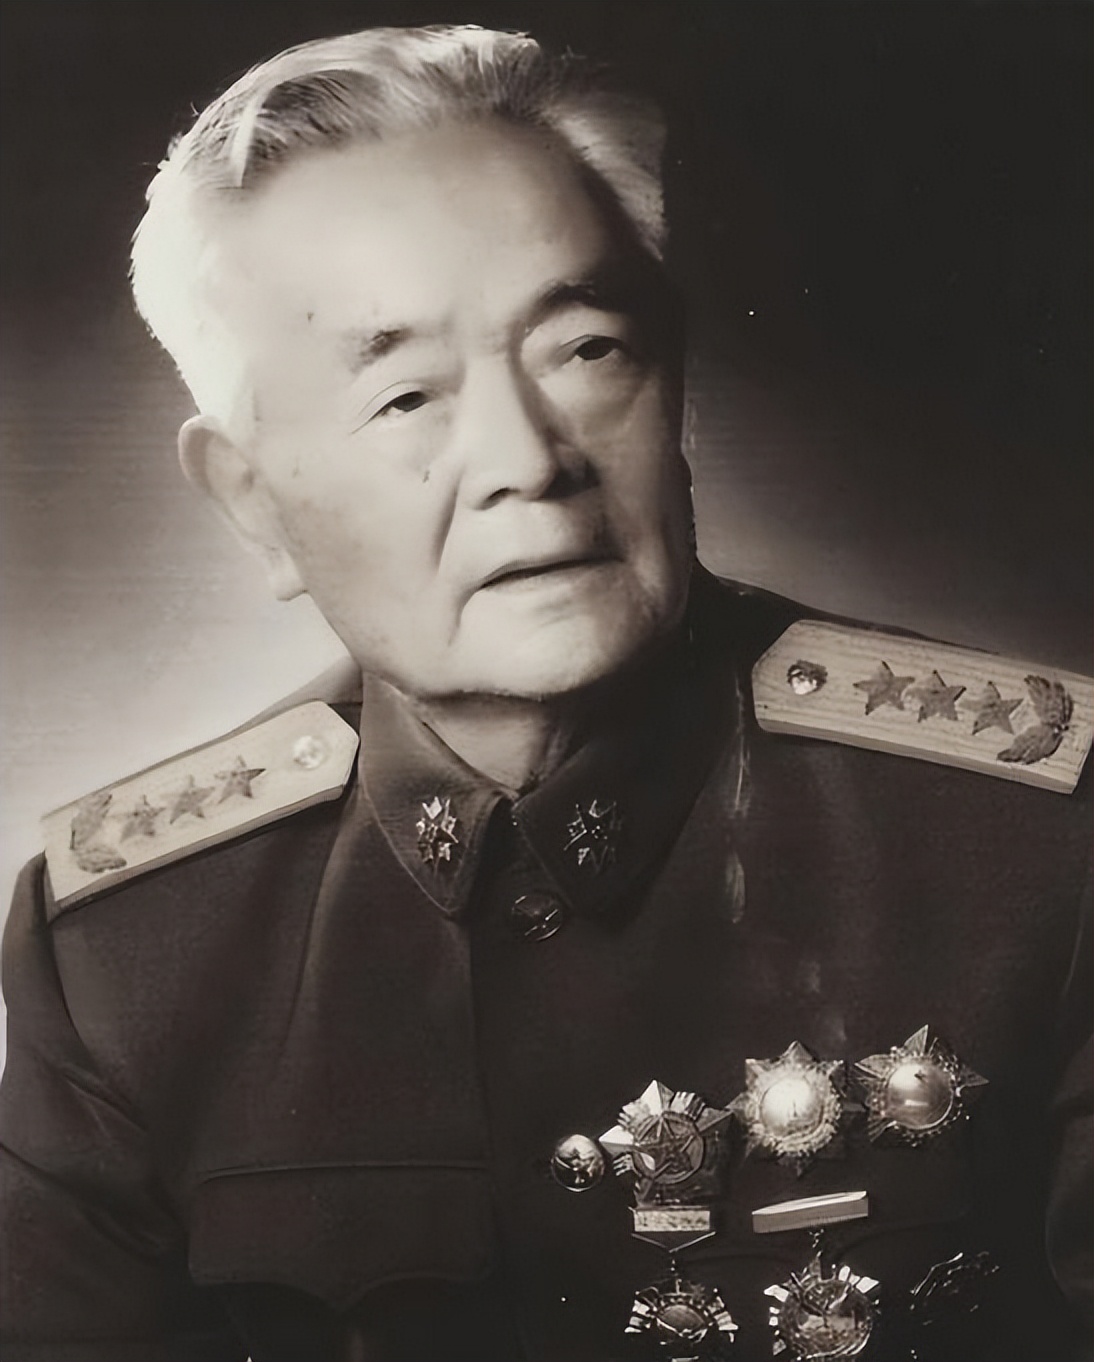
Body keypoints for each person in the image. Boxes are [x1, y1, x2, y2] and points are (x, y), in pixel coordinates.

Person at [0, 23, 1090, 1362]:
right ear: (251, 502)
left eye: (586, 350)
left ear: (673, 385)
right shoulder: (126, 949)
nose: (528, 458)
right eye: (406, 397)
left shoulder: (1039, 843)